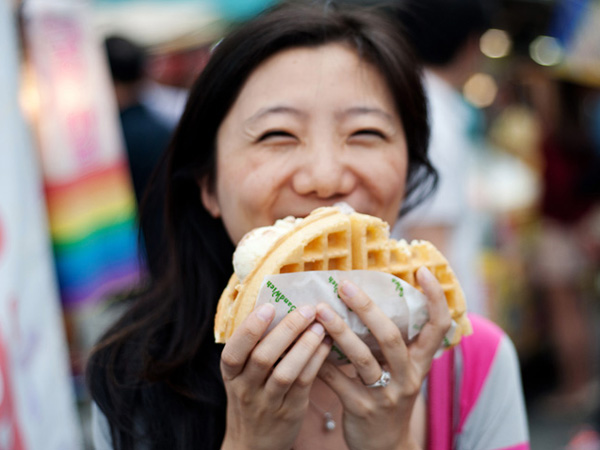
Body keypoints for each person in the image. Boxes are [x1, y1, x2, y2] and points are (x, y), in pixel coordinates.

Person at [87, 2, 530, 449]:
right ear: (208, 183)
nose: (324, 178)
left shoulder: (473, 365)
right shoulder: (134, 377)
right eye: (277, 134)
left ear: (409, 171)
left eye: (365, 133)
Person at [390, 0, 495, 317]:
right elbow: (431, 241)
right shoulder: (435, 115)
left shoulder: (411, 95)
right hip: (437, 312)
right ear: (470, 44)